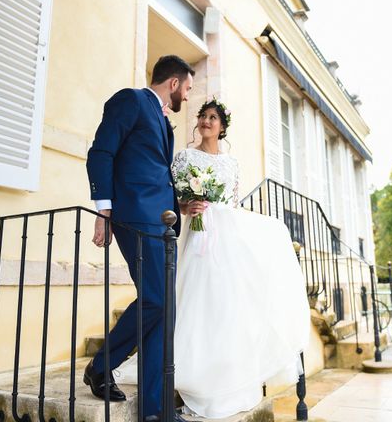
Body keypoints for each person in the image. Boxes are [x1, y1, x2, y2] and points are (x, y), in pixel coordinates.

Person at [113, 99, 311, 419]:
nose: (206, 121)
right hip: (195, 235)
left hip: (224, 237)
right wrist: (187, 205)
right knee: (191, 299)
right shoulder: (185, 158)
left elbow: (232, 202)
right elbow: (171, 202)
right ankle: (186, 367)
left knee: (226, 306)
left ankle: (226, 376)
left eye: (213, 118)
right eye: (203, 117)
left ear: (222, 126)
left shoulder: (232, 163)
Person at [85, 55, 197, 422]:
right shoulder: (131, 100)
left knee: (165, 310)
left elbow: (153, 172)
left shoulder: (165, 122)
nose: (188, 97)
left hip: (163, 225)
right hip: (136, 219)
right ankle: (101, 366)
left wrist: (181, 205)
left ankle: (156, 410)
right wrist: (105, 211)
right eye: (188, 88)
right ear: (175, 83)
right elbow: (101, 152)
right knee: (156, 302)